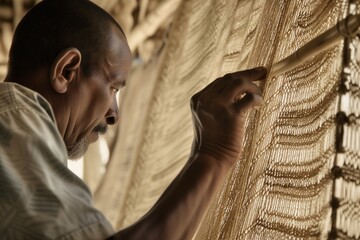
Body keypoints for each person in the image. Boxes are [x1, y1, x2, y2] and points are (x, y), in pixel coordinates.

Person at [0, 0, 267, 239]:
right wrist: (213, 154)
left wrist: (209, 156)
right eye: (113, 87)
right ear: (67, 71)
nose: (114, 114)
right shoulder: (13, 114)